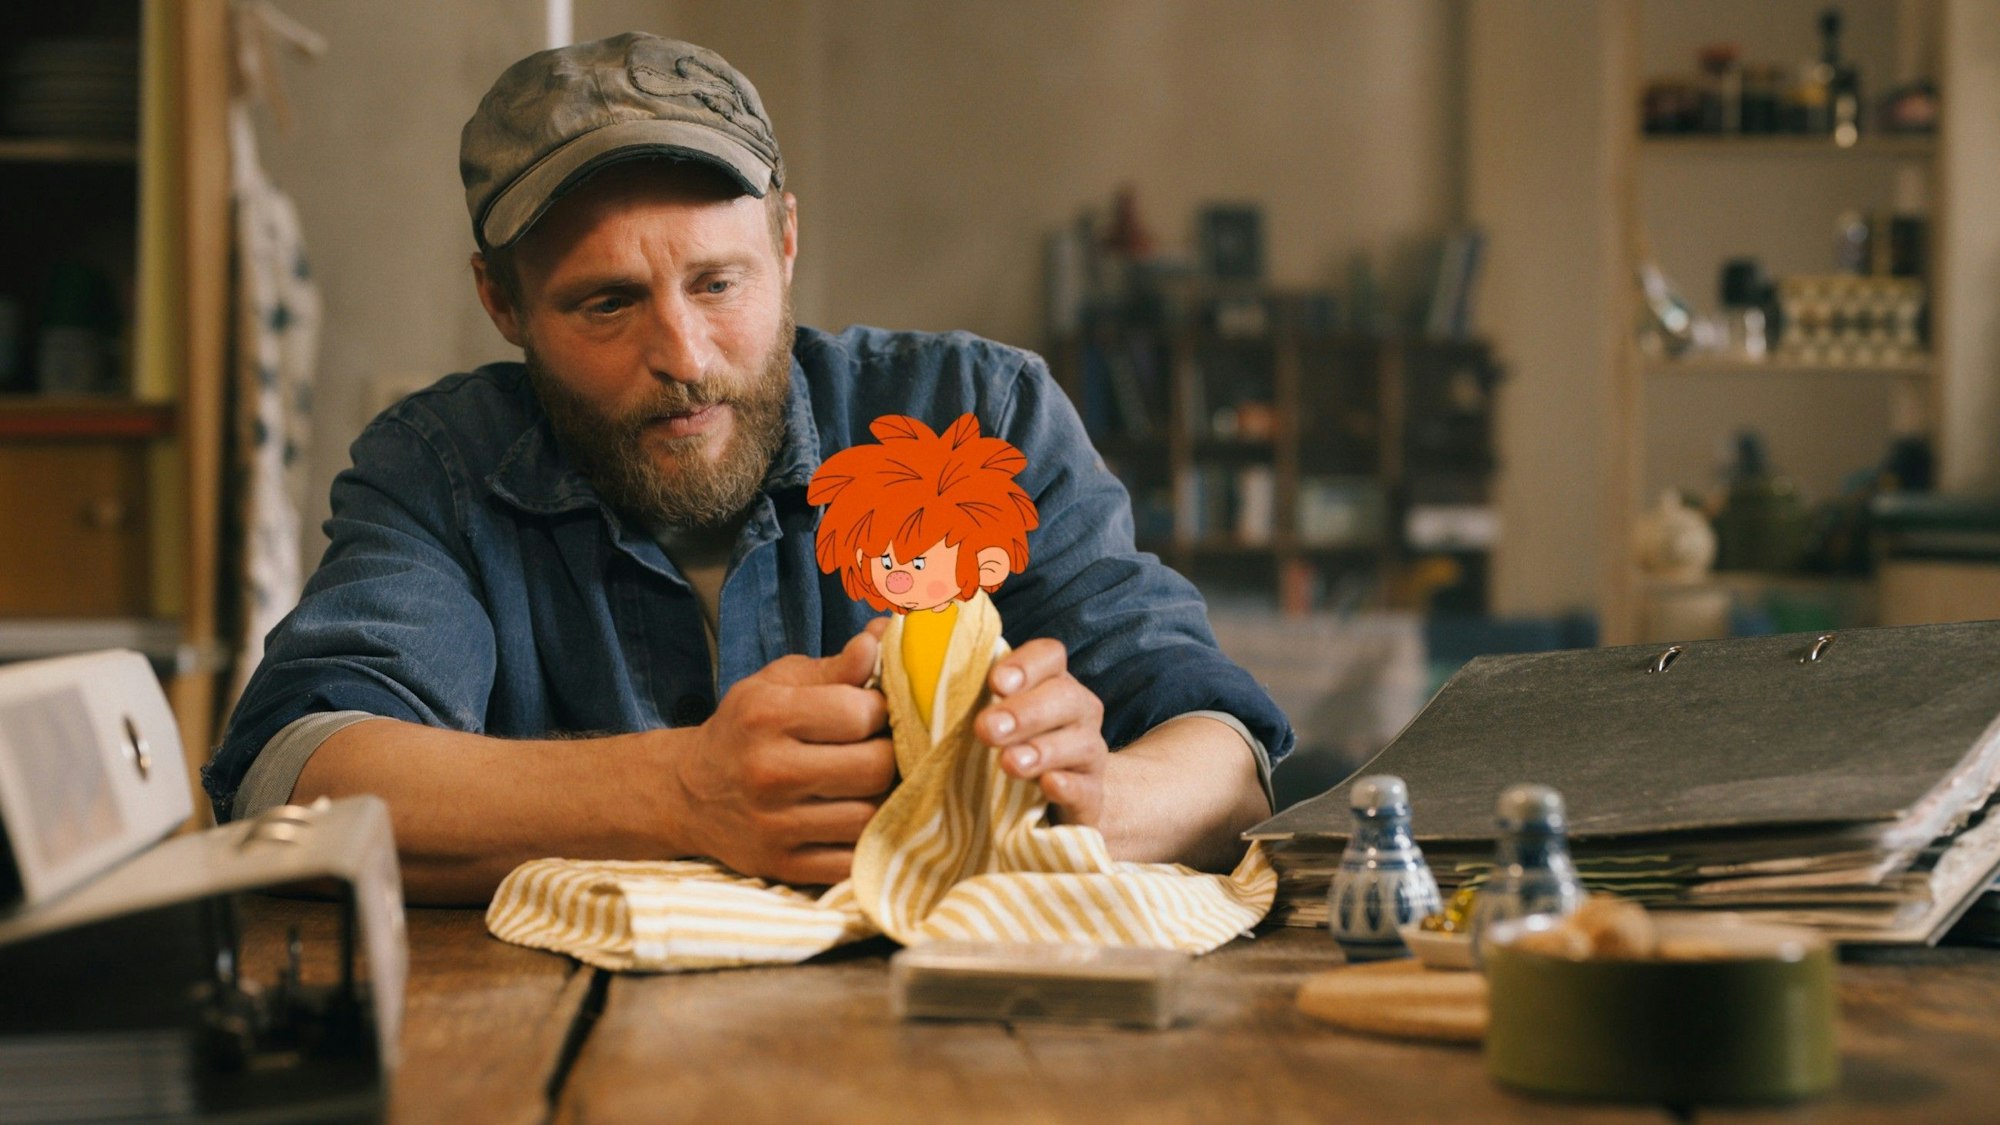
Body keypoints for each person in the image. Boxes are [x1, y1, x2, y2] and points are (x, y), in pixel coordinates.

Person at [203, 32, 1293, 905]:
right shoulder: (439, 465)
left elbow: (1224, 753)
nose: (680, 358)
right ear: (502, 303)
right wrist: (677, 791)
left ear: (784, 243)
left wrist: (1097, 796)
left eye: (718, 284)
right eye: (606, 304)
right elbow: (300, 773)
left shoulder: (975, 414)